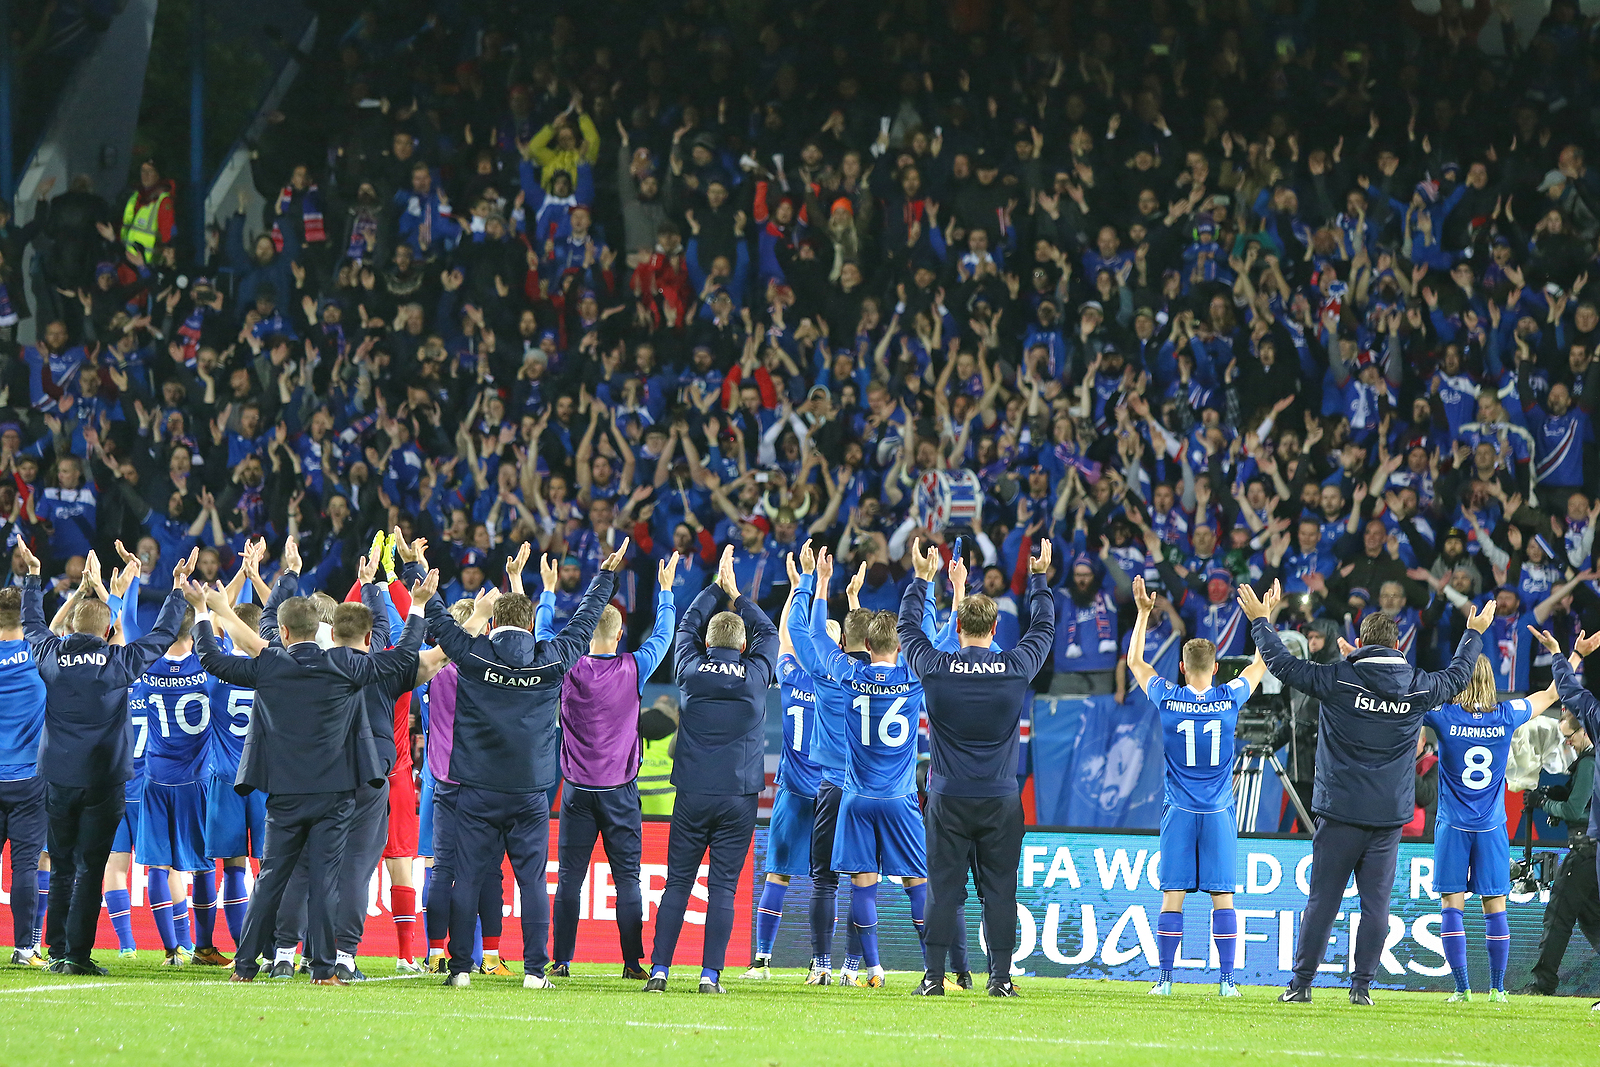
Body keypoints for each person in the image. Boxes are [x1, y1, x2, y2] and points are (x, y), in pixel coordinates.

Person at [1240, 580, 1494, 1005]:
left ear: (1358, 643)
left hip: (1339, 811)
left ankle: (1301, 985)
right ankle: (1361, 989)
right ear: (1399, 645)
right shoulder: (1417, 684)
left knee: (1323, 901)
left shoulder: (1339, 678)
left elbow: (1282, 665)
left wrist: (1261, 624)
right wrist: (1474, 634)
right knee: (1375, 907)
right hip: (1388, 817)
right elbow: (1458, 676)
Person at [191, 550, 430, 985]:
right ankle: (324, 970)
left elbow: (212, 658)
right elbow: (406, 655)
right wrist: (416, 605)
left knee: (271, 881)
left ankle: (245, 968)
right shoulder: (345, 664)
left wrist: (204, 613)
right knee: (325, 880)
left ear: (283, 632)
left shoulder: (271, 663)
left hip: (283, 793)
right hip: (335, 793)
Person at [409, 534, 626, 989]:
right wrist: (605, 576)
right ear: (531, 625)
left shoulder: (472, 654)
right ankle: (533, 972)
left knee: (466, 877)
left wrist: (415, 566)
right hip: (530, 791)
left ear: (492, 625)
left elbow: (434, 613)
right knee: (531, 882)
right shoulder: (552, 659)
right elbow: (586, 621)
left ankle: (460, 971)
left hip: (476, 787)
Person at [22, 541, 193, 974]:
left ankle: (57, 950)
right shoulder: (118, 661)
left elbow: (33, 623)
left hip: (57, 779)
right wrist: (175, 591)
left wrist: (32, 576)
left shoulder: (50, 655)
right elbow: (161, 637)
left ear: (73, 627)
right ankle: (76, 956)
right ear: (107, 631)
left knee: (61, 867)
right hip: (103, 783)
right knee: (89, 870)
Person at [897, 537, 1055, 997]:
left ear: (959, 623)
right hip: (1001, 799)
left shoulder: (936, 668)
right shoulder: (1015, 666)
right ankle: (1001, 980)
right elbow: (1043, 628)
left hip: (947, 797)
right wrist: (1039, 578)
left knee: (944, 890)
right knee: (1000, 891)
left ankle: (932, 979)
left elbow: (908, 629)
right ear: (995, 627)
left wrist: (923, 580)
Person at [1127, 574, 1268, 998]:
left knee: (1173, 895)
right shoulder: (1230, 697)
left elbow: (1136, 662)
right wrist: (1264, 617)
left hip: (1179, 811)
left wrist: (1142, 614)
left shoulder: (1167, 696)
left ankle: (1165, 981)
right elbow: (1263, 663)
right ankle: (1227, 983)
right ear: (1219, 668)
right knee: (1223, 896)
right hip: (1219, 810)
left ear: (1183, 667)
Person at [646, 546, 777, 994]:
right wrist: (736, 594)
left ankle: (660, 971)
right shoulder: (757, 674)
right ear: (743, 646)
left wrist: (712, 590)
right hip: (738, 798)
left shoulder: (689, 669)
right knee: (722, 887)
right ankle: (709, 976)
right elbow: (769, 631)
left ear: (707, 641)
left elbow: (684, 626)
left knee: (678, 883)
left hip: (693, 794)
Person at [795, 544, 927, 988]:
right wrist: (930, 583)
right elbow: (940, 640)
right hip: (900, 796)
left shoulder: (844, 675)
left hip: (851, 793)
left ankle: (870, 968)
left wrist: (818, 583)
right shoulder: (914, 676)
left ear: (863, 645)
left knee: (855, 882)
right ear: (903, 645)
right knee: (915, 881)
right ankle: (933, 971)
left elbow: (813, 636)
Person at [545, 544, 676, 981]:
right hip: (620, 792)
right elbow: (664, 633)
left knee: (569, 882)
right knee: (628, 881)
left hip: (577, 791)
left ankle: (561, 960)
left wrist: (548, 593)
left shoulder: (566, 666)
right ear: (620, 634)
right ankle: (632, 962)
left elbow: (545, 634)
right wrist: (667, 591)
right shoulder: (634, 667)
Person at [1421, 656, 1559, 1003]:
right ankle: (1498, 989)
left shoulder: (1442, 715)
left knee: (1452, 904)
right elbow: (1550, 694)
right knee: (1495, 904)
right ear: (1490, 680)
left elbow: (1401, 698)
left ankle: (1462, 989)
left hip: (1453, 824)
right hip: (1492, 827)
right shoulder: (1506, 715)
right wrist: (1568, 656)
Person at [741, 565, 830, 980]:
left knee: (778, 872)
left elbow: (782, 643)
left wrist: (798, 588)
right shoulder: (847, 683)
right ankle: (823, 962)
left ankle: (761, 960)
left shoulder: (792, 678)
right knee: (825, 881)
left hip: (794, 791)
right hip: (831, 793)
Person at [128, 600, 218, 966]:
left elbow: (129, 623)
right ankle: (204, 947)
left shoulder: (146, 665)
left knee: (158, 868)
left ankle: (170, 950)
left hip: (155, 780)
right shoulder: (208, 665)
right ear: (195, 631)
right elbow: (221, 629)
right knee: (204, 866)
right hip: (196, 780)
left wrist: (132, 585)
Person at [1527, 625, 1600, 1009]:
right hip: (1591, 847)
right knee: (1594, 921)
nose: (1567, 741)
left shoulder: (1592, 747)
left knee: (1559, 913)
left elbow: (1571, 691)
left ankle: (1543, 982)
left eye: (1569, 735)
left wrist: (1564, 654)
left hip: (1589, 848)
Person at [0, 587, 48, 966]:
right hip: (29, 778)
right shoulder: (39, 653)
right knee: (26, 867)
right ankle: (23, 948)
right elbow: (72, 627)